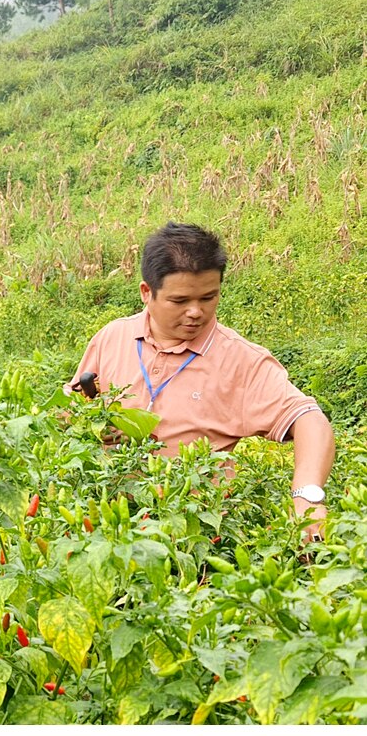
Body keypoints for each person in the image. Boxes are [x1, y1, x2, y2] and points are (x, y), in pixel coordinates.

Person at [67, 222, 334, 540]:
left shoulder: (241, 360)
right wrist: (90, 424)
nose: (196, 312)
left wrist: (307, 494)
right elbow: (72, 410)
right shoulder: (113, 337)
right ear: (146, 293)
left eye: (208, 297)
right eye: (179, 301)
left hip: (197, 541)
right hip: (111, 532)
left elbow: (308, 420)